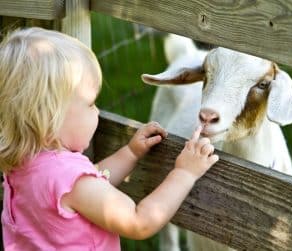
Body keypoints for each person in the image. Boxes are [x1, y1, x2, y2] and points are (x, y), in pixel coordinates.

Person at [0, 27, 219, 251]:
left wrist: (130, 153)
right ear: (50, 115)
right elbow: (138, 221)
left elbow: (93, 182)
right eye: (90, 103)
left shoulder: (24, 165)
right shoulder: (70, 180)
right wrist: (184, 173)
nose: (97, 111)